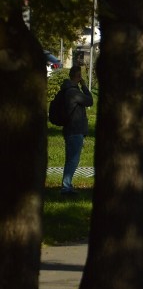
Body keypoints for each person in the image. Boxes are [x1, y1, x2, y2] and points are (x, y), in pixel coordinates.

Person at [60, 66, 94, 194]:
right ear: (78, 77)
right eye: (80, 76)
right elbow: (90, 101)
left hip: (71, 129)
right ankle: (66, 187)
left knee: (71, 159)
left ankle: (66, 185)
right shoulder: (73, 92)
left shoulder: (69, 90)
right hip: (74, 130)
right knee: (73, 160)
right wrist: (85, 86)